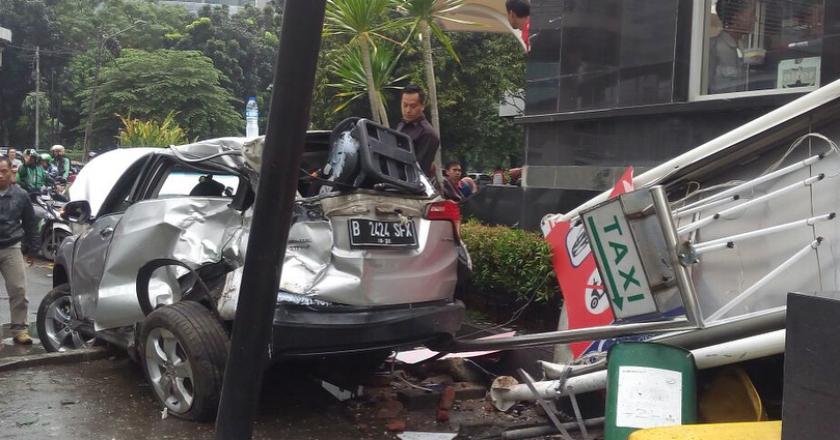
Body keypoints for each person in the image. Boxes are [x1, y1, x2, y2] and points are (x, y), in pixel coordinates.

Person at [0, 157, 39, 345]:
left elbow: (31, 223)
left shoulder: (21, 195)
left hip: (11, 247)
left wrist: (32, 248)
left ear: (11, 171)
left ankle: (20, 330)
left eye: (3, 171)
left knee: (18, 289)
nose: (0, 175)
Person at [709, 0, 757, 94]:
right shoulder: (714, 48)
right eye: (751, 14)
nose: (755, 19)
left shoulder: (741, 48)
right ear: (736, 17)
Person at [396, 85, 439, 179]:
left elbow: (419, 170)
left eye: (413, 106)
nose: (407, 110)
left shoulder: (428, 134)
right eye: (404, 105)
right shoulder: (401, 125)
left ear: (422, 106)